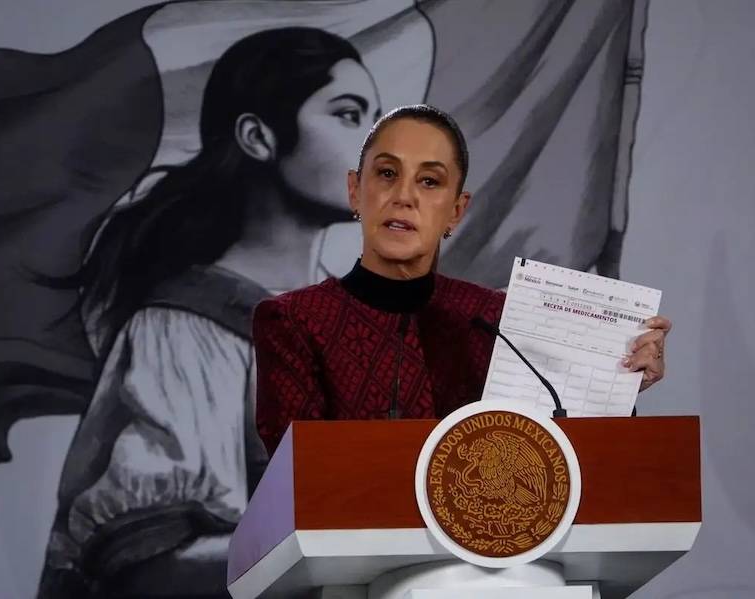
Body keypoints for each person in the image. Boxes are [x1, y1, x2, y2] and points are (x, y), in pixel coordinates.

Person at [38, 27, 382, 598]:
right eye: (349, 116)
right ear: (258, 137)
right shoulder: (187, 327)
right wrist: (360, 545)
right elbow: (153, 569)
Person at [254, 104, 671, 454]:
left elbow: (568, 459)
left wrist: (617, 384)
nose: (404, 196)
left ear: (456, 211)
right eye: (387, 173)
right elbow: (301, 478)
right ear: (354, 190)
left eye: (429, 181)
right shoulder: (293, 321)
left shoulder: (497, 321)